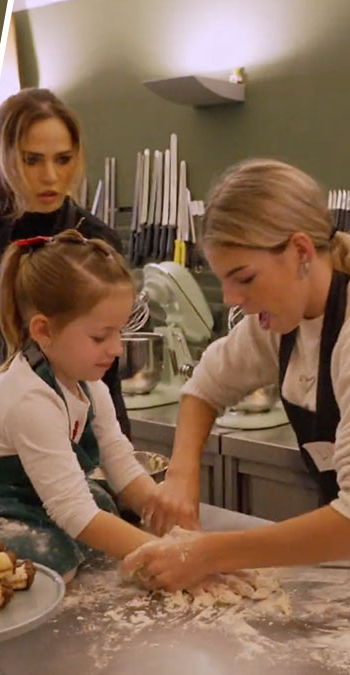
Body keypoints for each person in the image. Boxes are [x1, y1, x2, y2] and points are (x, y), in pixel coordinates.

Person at [125, 159, 350, 590]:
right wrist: (181, 474)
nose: (233, 299)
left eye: (244, 278)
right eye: (224, 281)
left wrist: (206, 553)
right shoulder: (283, 321)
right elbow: (205, 385)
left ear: (301, 252)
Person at [0, 230, 158, 579]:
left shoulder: (91, 385)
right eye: (100, 336)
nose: (117, 349)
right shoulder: (29, 399)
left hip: (13, 485)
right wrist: (161, 554)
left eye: (119, 333)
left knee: (104, 506)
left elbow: (121, 465)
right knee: (53, 558)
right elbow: (73, 512)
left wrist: (163, 513)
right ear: (44, 331)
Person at [0, 88, 130, 434]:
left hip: (87, 425)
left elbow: (107, 371)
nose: (50, 176)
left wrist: (117, 455)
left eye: (62, 159)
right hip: (14, 423)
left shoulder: (97, 238)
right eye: (32, 160)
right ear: (4, 157)